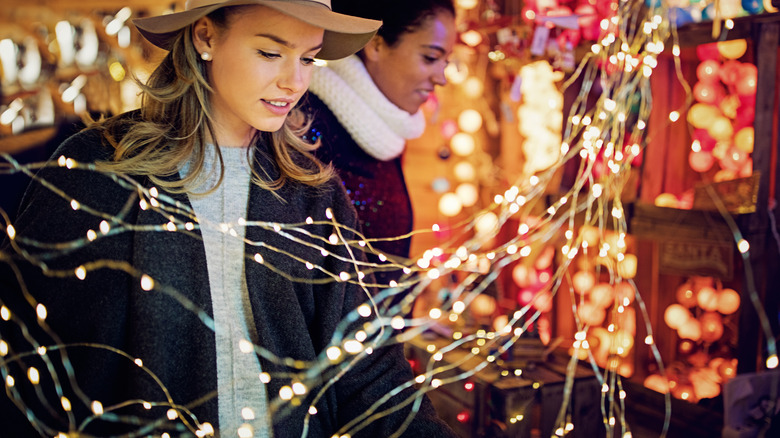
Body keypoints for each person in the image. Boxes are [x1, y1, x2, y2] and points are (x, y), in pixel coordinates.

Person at [0, 1, 457, 437]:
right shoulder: (100, 171)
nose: (293, 81)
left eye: (308, 59)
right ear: (206, 37)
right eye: (270, 52)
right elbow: (34, 370)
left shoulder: (314, 196)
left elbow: (369, 368)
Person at [300, 0, 457, 290]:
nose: (441, 77)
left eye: (446, 61)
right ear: (375, 45)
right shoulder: (307, 128)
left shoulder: (384, 132)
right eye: (430, 57)